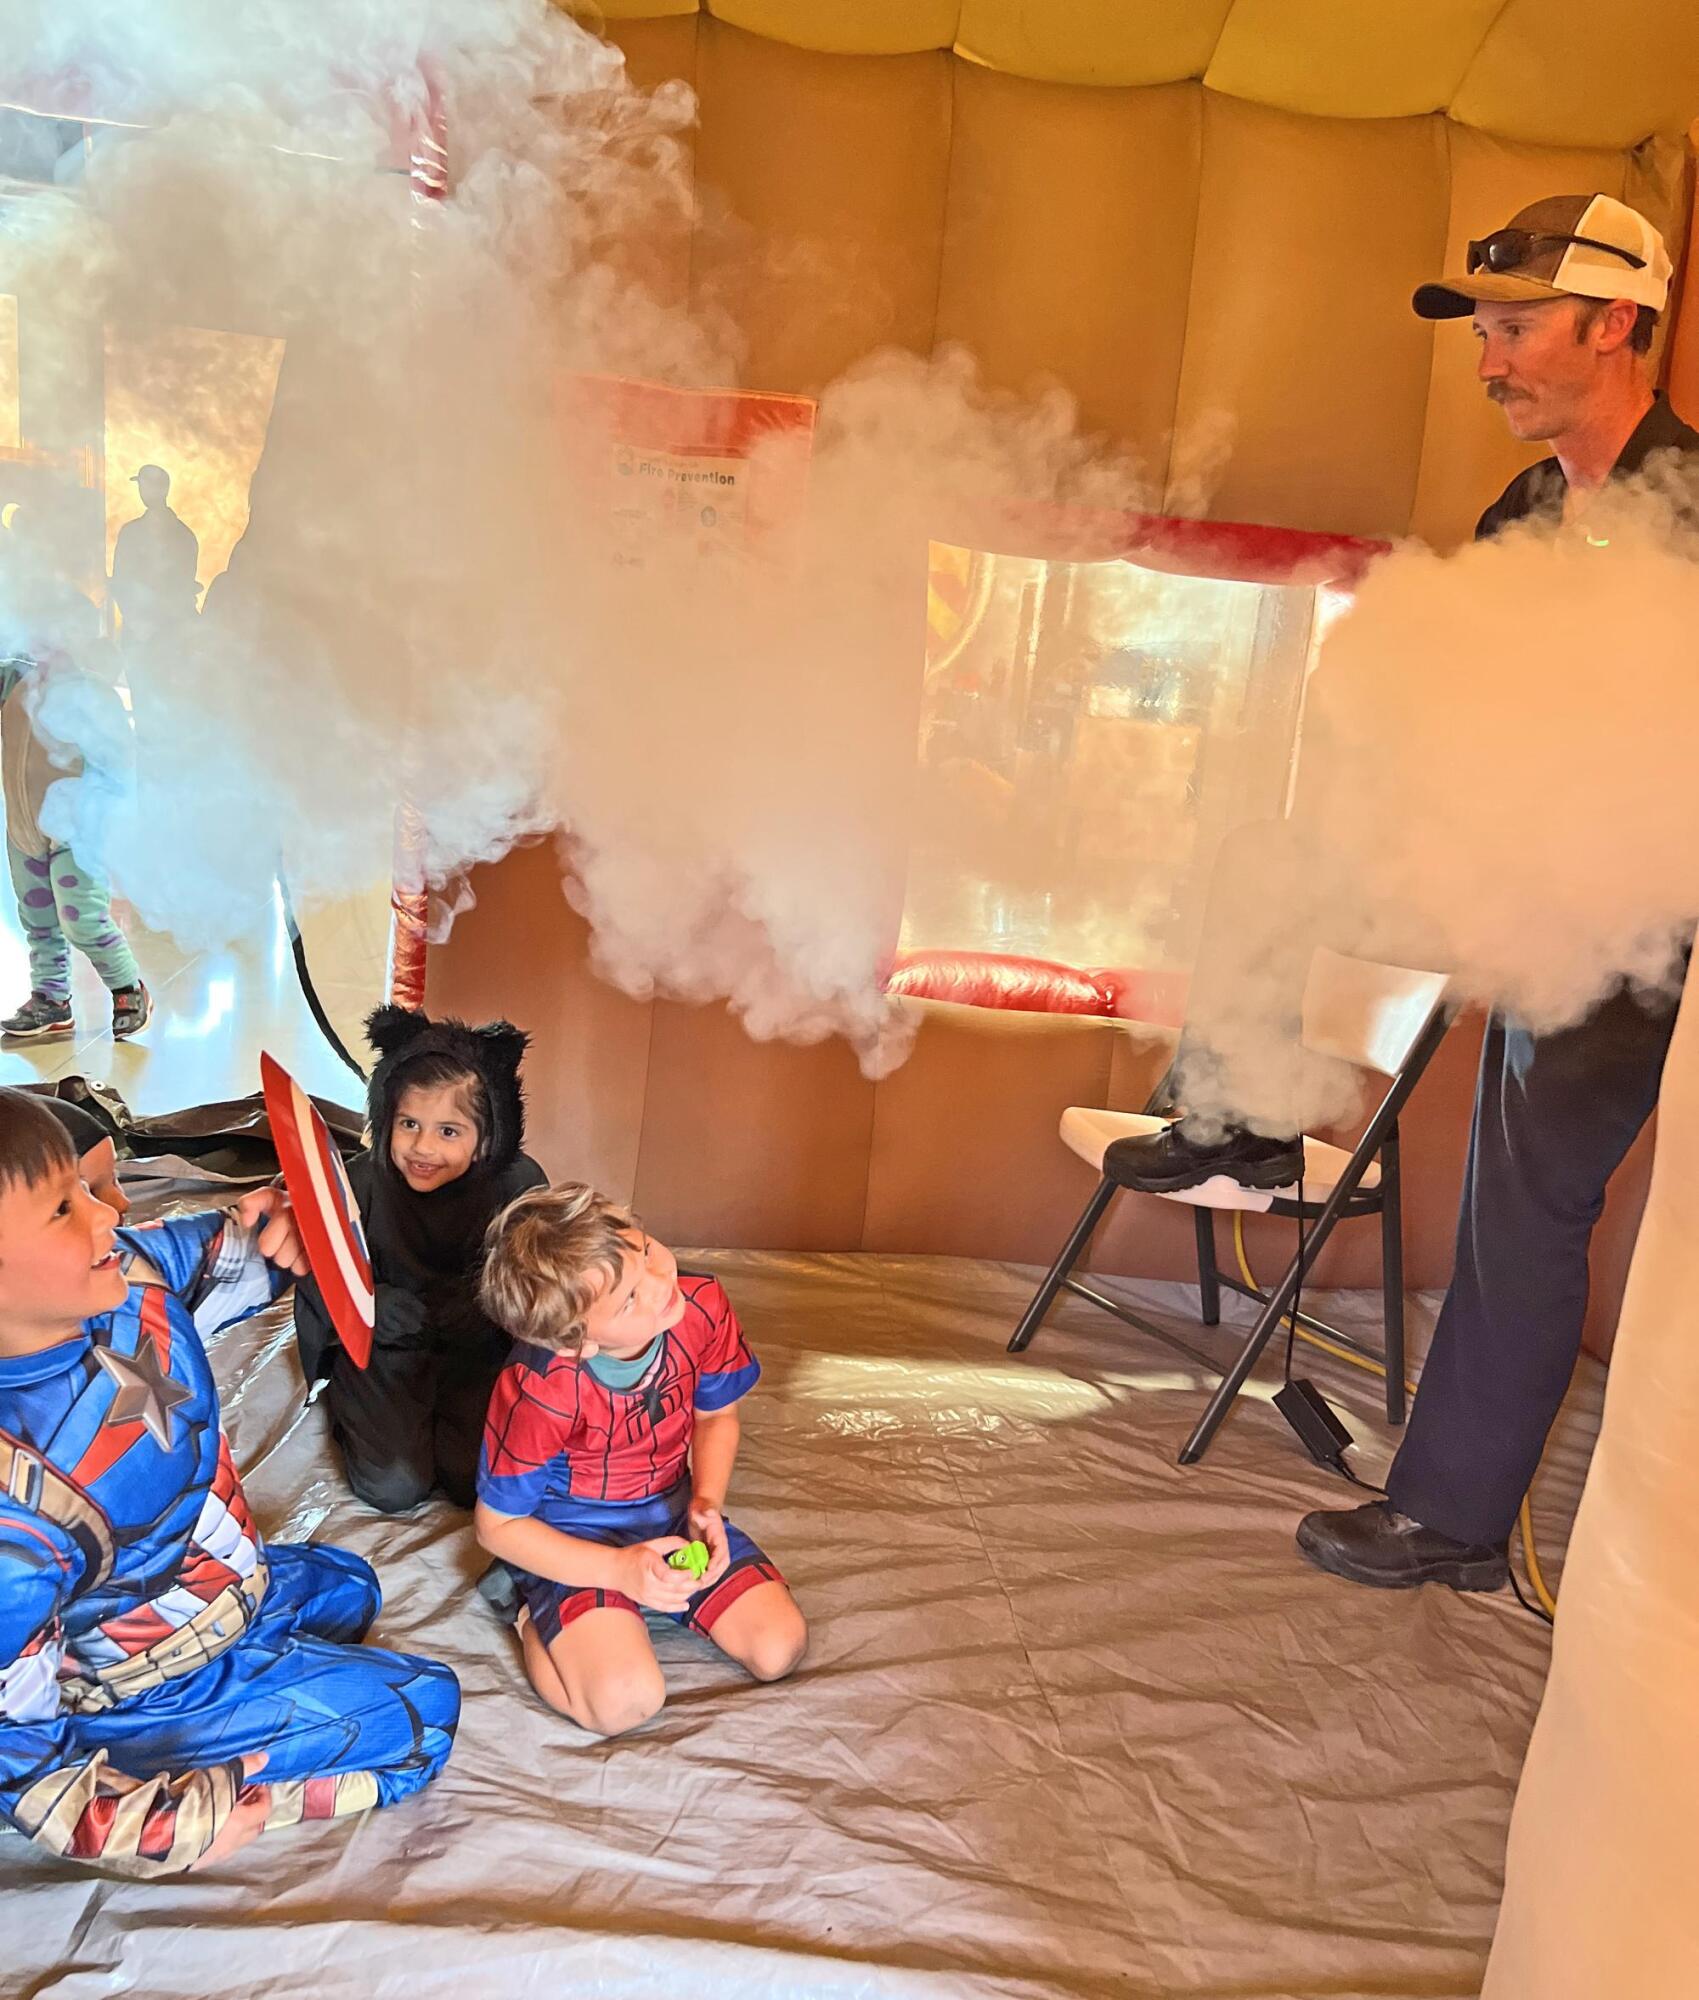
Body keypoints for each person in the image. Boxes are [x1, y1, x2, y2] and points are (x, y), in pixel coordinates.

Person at [1108, 194, 1699, 1591]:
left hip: (1633, 919)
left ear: (1614, 322)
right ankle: (1236, 1125)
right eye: (1479, 332)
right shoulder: (1531, 505)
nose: (1486, 361)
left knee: (1523, 1200)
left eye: (1512, 329)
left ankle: (1452, 1518)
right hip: (1512, 864)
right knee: (1272, 858)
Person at [0, 1086, 459, 1873]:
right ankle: (172, 1767)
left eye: (88, 1191)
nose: (108, 1214)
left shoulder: (129, 1273)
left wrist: (287, 1224)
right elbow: (17, 1754)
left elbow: (223, 1251)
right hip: (145, 1683)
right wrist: (161, 1828)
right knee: (425, 1713)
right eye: (60, 1211)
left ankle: (250, 1670)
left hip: (216, 1592)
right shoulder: (15, 1514)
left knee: (350, 1585)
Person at [474, 1183, 807, 1738]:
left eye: (647, 1249)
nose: (660, 1282)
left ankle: (634, 1601)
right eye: (628, 1298)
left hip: (669, 1511)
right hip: (573, 1535)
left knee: (779, 1647)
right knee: (625, 1703)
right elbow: (496, 1525)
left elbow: (715, 1417)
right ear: (576, 1342)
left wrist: (707, 1502)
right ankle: (531, 1610)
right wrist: (616, 1571)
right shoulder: (541, 1387)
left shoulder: (701, 1306)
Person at [293, 1005, 545, 1513]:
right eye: (409, 1123)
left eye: (448, 1131)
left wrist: (486, 1308)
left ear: (487, 1138)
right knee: (394, 1486)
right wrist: (368, 1306)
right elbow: (317, 1273)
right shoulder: (357, 1183)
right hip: (382, 1351)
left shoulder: (518, 1188)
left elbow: (540, 1285)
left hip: (477, 1355)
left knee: (473, 1479)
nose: (422, 1147)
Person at [1, 509, 151, 1042]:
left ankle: (127, 985)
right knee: (37, 919)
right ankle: (51, 998)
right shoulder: (11, 681)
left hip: (76, 825)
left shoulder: (91, 693)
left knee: (81, 917)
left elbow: (121, 763)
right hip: (23, 823)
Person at [109, 465, 200, 648]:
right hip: (166, 631)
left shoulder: (132, 532)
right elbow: (122, 582)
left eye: (146, 485)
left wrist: (139, 623)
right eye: (142, 485)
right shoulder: (185, 535)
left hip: (163, 633)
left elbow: (121, 581)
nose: (143, 491)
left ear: (163, 489)